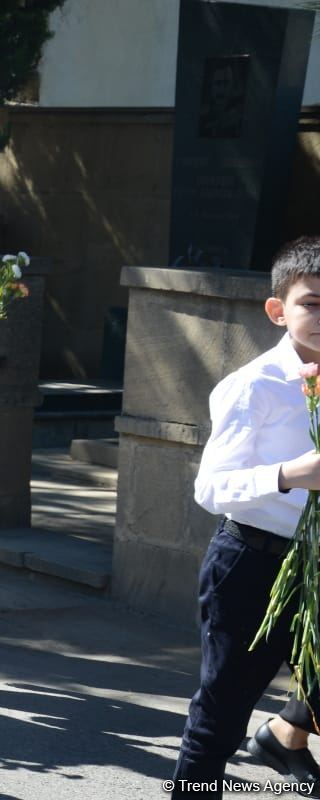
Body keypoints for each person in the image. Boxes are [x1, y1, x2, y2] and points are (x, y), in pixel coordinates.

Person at [170, 236, 320, 797]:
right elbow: (211, 487)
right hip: (252, 562)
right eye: (312, 304)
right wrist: (290, 474)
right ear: (278, 310)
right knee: (223, 710)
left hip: (313, 562)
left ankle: (286, 733)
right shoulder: (254, 385)